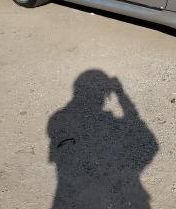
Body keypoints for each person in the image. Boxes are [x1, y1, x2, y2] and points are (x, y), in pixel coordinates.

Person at [47, 70, 158, 209]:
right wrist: (121, 94)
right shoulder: (109, 122)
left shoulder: (58, 119)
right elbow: (150, 143)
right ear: (105, 94)